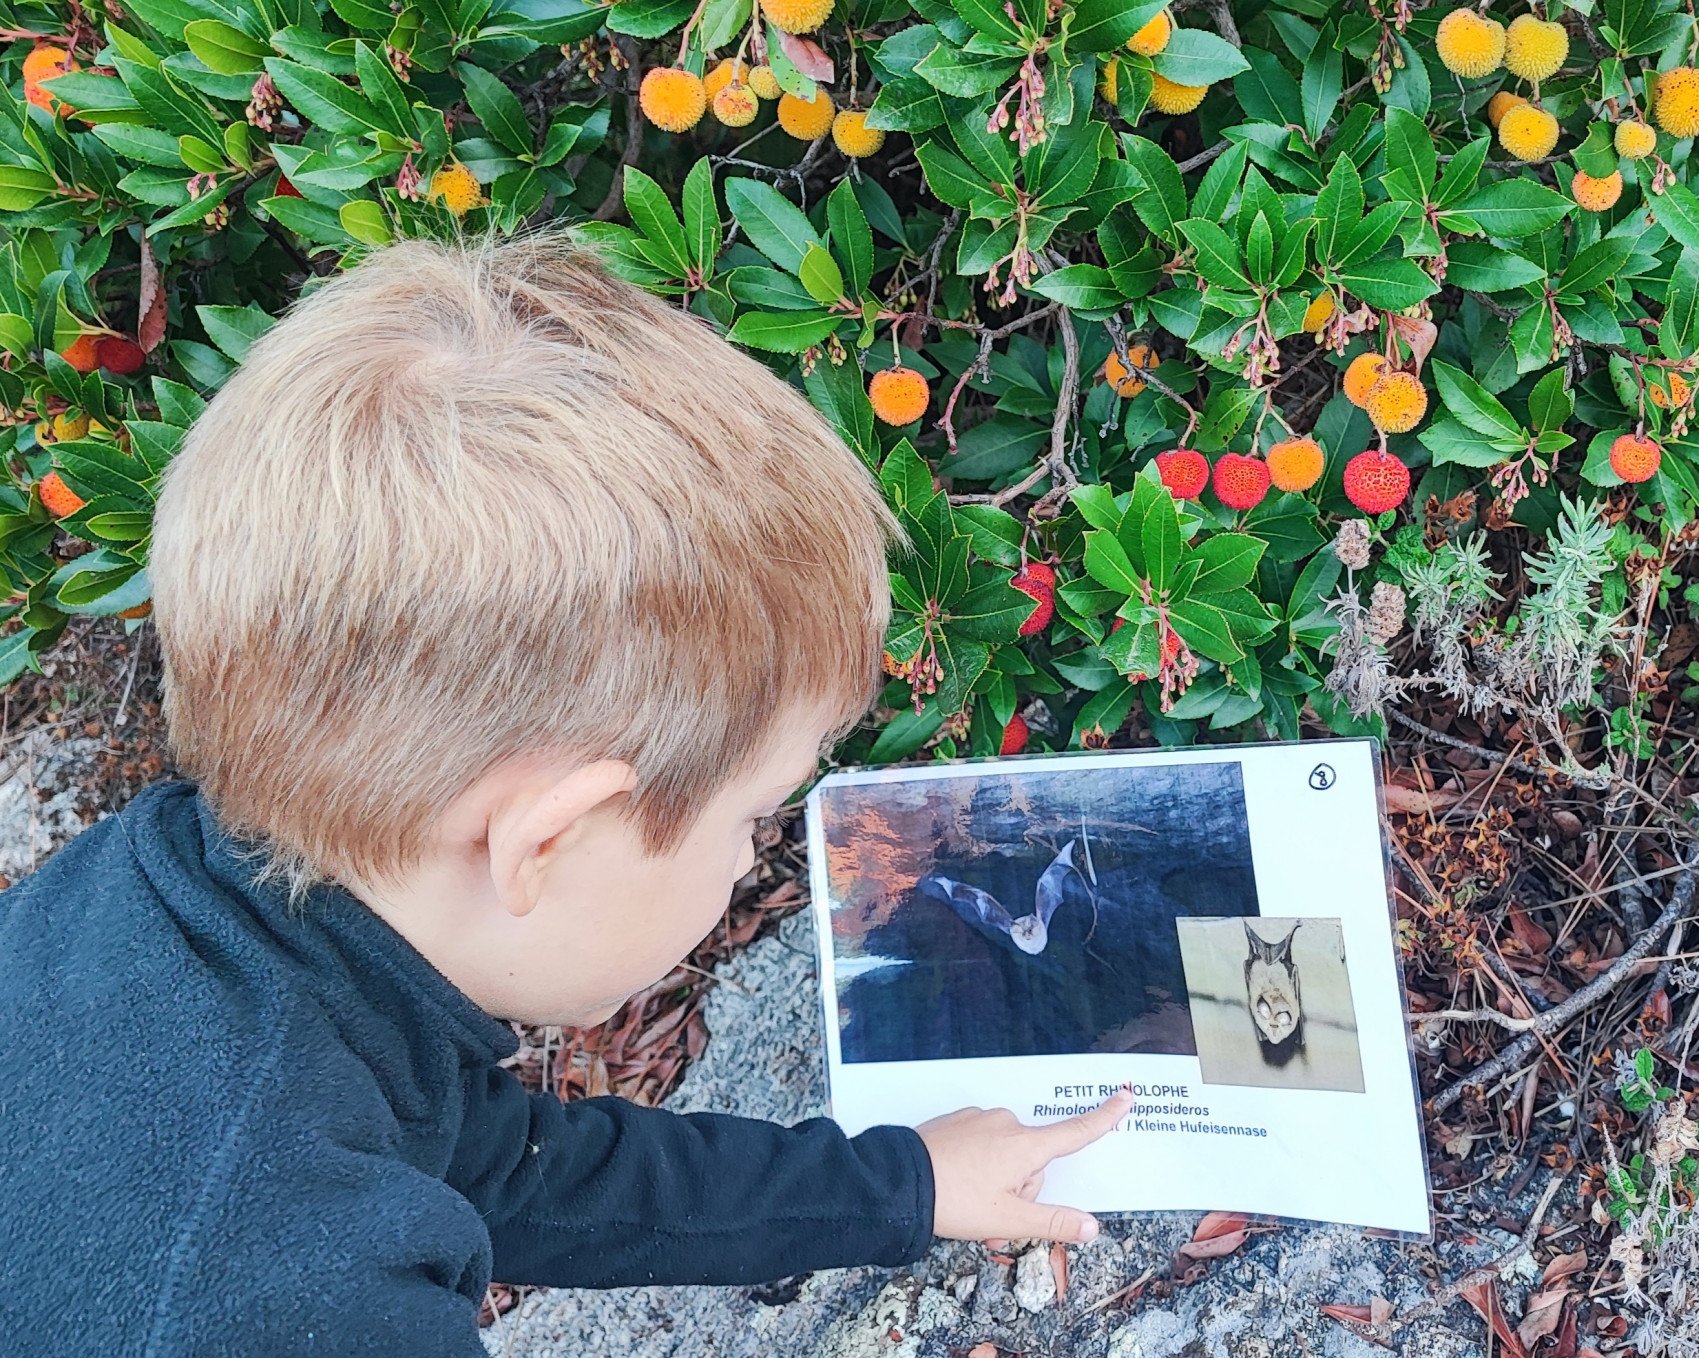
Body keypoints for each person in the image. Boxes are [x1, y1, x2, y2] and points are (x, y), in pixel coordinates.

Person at [0, 236, 1130, 1353]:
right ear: (547, 840)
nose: (754, 858)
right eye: (753, 817)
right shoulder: (290, 1301)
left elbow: (495, 1165)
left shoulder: (152, 914)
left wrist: (903, 1180)